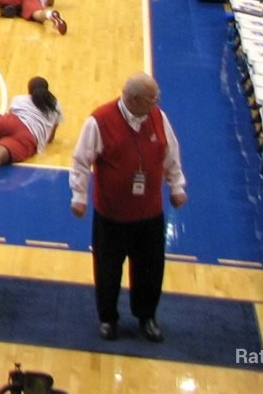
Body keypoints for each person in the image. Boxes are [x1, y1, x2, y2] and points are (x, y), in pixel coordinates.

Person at [70, 73, 187, 343]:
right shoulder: (99, 121)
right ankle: (108, 319)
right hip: (111, 215)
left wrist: (177, 186)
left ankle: (147, 317)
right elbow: (80, 161)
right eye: (151, 97)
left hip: (149, 214)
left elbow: (171, 154)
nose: (156, 101)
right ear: (133, 99)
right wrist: (79, 196)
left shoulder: (158, 117)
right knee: (108, 269)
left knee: (150, 268)